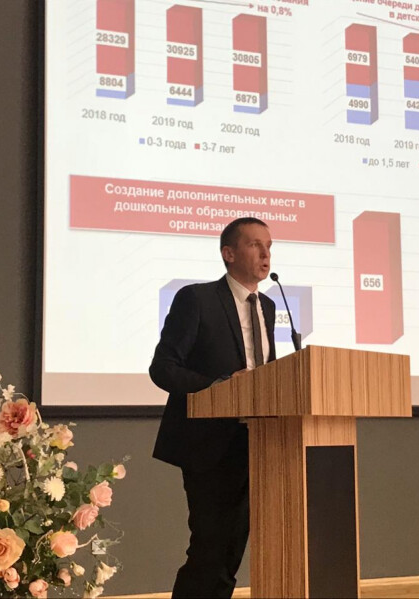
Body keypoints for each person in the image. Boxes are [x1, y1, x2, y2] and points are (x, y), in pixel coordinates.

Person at [150, 217, 276, 598]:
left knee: (231, 549)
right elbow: (163, 368)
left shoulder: (268, 307)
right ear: (229, 253)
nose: (266, 253)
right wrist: (219, 387)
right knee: (209, 547)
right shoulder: (197, 299)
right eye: (255, 244)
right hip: (207, 443)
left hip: (255, 442)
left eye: (269, 245)